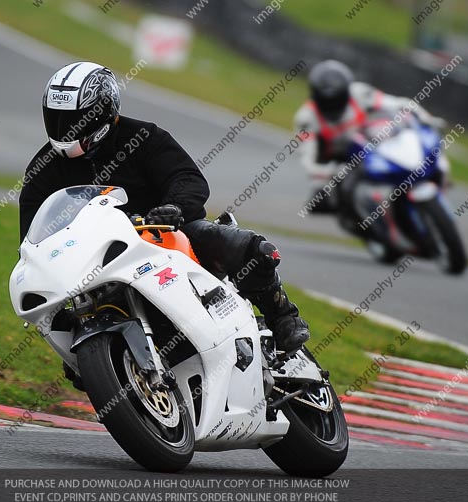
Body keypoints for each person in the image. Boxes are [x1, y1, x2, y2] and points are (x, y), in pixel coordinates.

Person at [19, 62, 310, 383]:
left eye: (74, 120)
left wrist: (175, 208)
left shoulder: (143, 137)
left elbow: (186, 177)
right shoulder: (43, 169)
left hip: (165, 235)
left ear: (101, 112)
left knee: (244, 246)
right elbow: (33, 237)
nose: (64, 128)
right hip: (97, 259)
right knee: (67, 330)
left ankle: (282, 315)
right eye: (56, 118)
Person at [294, 60, 446, 232]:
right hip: (336, 161)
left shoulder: (359, 93)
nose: (332, 105)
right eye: (327, 101)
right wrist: (322, 173)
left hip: (366, 144)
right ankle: (363, 221)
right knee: (323, 198)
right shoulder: (306, 118)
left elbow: (398, 103)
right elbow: (307, 153)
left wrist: (426, 118)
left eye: (336, 99)